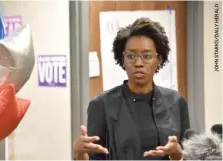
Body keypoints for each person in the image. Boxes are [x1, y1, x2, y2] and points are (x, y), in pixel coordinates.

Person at [72, 17, 190, 160]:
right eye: (131, 56)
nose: (138, 63)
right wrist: (79, 155)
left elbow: (188, 154)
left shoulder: (176, 102)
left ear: (159, 60)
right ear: (122, 60)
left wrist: (178, 155)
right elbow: (93, 158)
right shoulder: (102, 104)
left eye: (146, 56)